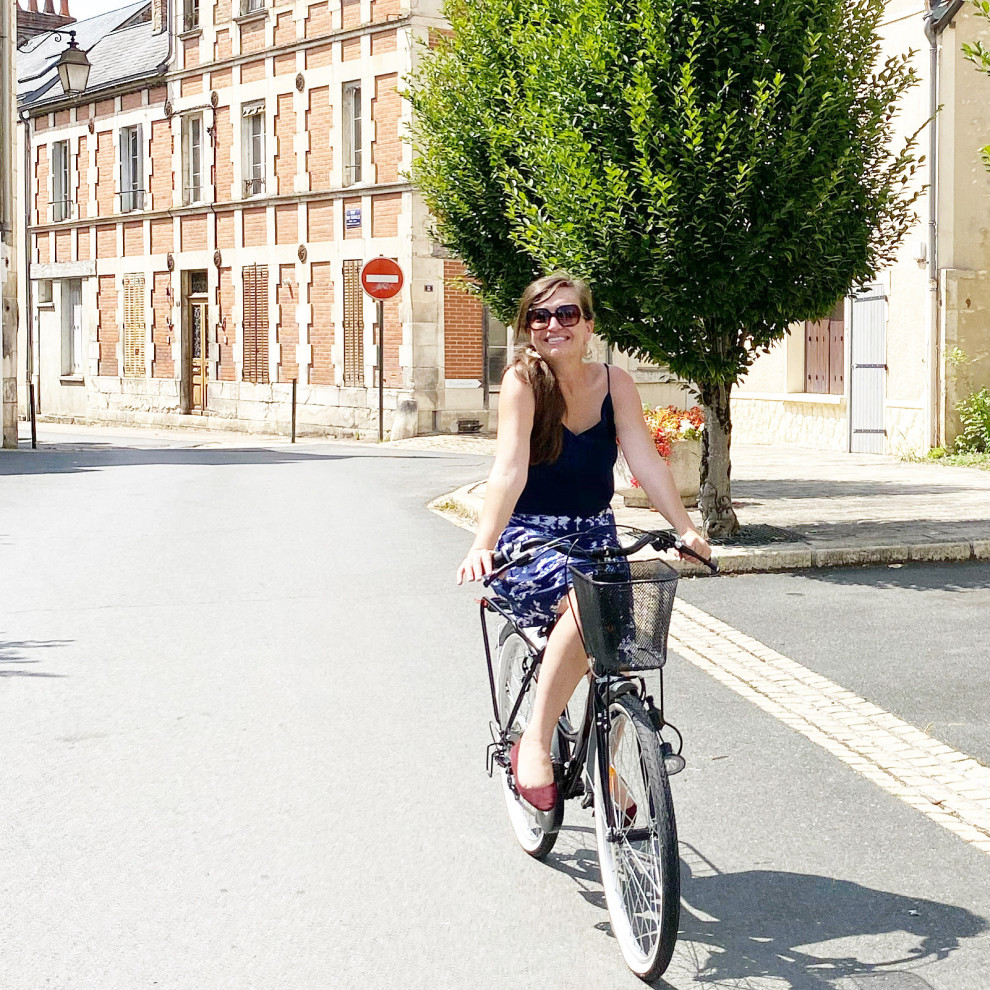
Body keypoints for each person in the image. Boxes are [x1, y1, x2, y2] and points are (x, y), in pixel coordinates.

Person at [456, 272, 712, 811]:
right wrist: (484, 542)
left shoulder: (616, 383)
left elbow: (645, 459)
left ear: (589, 325)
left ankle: (611, 770)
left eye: (568, 314)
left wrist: (685, 527)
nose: (555, 325)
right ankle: (537, 741)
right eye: (541, 316)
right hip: (531, 536)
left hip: (594, 533)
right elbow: (508, 469)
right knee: (583, 605)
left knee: (615, 648)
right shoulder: (523, 382)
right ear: (528, 328)